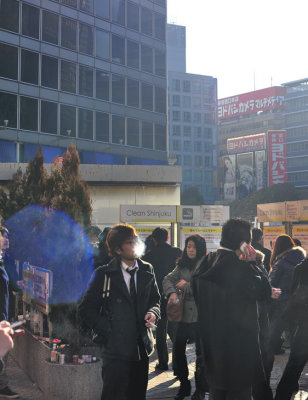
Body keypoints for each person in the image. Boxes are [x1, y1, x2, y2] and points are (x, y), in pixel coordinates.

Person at [193, 218, 272, 400]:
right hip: (239, 351)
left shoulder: (203, 264)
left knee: (216, 393)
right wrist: (255, 264)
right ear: (245, 244)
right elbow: (265, 293)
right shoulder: (241, 268)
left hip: (212, 347)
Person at [78, 223, 160, 400]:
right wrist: (109, 330)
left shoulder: (147, 269)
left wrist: (153, 312)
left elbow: (155, 299)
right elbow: (86, 309)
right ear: (117, 249)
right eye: (130, 242)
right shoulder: (104, 274)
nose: (136, 244)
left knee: (137, 395)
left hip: (141, 348)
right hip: (115, 352)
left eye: (136, 240)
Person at [163, 234, 208, 400]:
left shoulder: (207, 264)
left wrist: (186, 286)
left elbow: (206, 286)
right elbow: (168, 279)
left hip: (201, 316)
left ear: (200, 249)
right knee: (178, 351)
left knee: (201, 354)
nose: (191, 250)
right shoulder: (181, 264)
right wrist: (172, 293)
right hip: (182, 316)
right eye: (188, 246)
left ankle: (201, 389)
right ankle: (184, 384)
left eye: (194, 247)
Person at [142, 227, 181, 372]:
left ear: (153, 239)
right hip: (173, 296)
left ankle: (163, 362)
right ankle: (178, 364)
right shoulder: (177, 253)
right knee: (175, 331)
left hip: (158, 297)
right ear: (167, 238)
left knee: (160, 332)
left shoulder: (148, 257)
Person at [274, 257, 308, 400]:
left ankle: (282, 396)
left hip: (305, 323)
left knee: (295, 363)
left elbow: (294, 292)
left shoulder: (301, 267)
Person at [268, 235, 306, 356]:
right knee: (295, 328)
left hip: (283, 299)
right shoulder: (301, 258)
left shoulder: (281, 262)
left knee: (275, 327)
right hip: (300, 299)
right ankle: (298, 352)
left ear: (278, 246)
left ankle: (268, 349)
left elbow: (271, 282)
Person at [0, 229, 19, 399]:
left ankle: (2, 385)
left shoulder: (6, 260)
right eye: (3, 237)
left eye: (7, 236)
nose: (6, 240)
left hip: (5, 314)